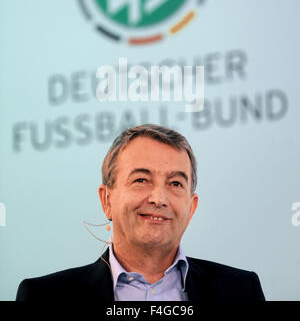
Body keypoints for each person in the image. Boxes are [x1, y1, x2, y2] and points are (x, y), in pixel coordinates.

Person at [16, 124, 265, 301]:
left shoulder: (242, 290)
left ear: (192, 208)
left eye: (176, 183)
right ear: (107, 199)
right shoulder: (43, 295)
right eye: (141, 180)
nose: (159, 198)